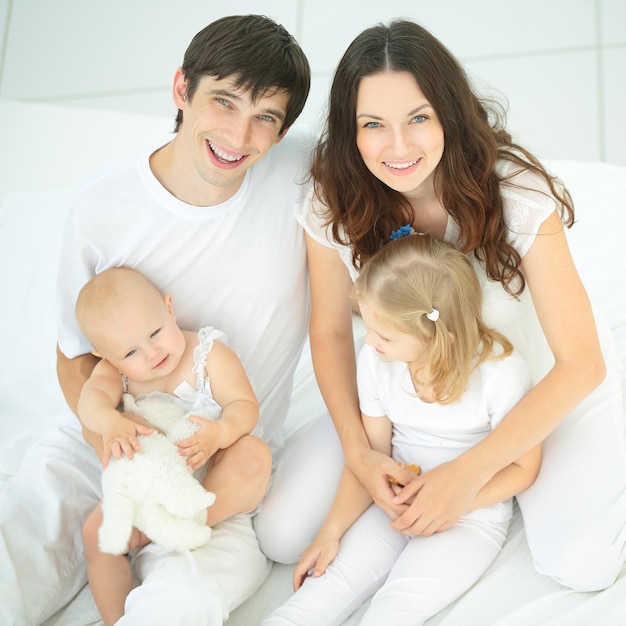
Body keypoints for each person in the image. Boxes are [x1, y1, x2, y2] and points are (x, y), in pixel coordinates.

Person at [256, 19, 626, 593]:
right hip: (402, 402)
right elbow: (329, 331)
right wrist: (360, 452)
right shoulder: (335, 197)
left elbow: (582, 363)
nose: (398, 147)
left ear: (448, 115)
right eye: (372, 124)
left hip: (526, 391)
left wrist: (468, 476)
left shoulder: (517, 194)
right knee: (281, 535)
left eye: (418, 119)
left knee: (583, 562)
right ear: (349, 132)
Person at [0, 14, 312, 626]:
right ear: (181, 90)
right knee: (14, 552)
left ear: (281, 132)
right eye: (222, 101)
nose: (238, 134)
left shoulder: (300, 177)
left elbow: (396, 146)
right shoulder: (101, 207)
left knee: (181, 606)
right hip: (113, 438)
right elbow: (73, 354)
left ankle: (149, 540)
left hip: (221, 472)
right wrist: (115, 445)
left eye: (265, 118)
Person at [266, 234, 541, 625]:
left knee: (395, 610)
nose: (370, 341)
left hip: (469, 514)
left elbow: (523, 469)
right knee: (324, 588)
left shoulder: (500, 375)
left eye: (385, 335)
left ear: (437, 338)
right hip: (393, 502)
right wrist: (330, 531)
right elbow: (370, 460)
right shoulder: (377, 362)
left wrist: (454, 502)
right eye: (370, 327)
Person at [75, 267, 264, 625]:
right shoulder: (118, 375)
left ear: (169, 308)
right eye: (130, 351)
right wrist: (110, 422)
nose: (151, 353)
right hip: (151, 485)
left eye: (155, 332)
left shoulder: (208, 354)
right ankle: (116, 618)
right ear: (105, 356)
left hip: (210, 474)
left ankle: (188, 518)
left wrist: (222, 433)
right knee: (95, 533)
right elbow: (90, 402)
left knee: (254, 454)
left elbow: (245, 406)